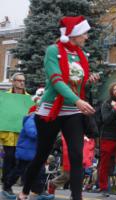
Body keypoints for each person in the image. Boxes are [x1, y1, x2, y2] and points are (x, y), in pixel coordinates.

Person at [17, 16, 99, 200]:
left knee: (77, 155)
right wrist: (77, 100)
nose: (86, 37)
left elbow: (78, 84)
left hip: (72, 111)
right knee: (42, 154)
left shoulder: (81, 56)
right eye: (84, 33)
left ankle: (76, 197)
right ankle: (24, 191)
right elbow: (56, 81)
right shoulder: (53, 51)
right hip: (51, 108)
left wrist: (88, 82)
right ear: (73, 33)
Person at [2, 88, 54, 200]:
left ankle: (40, 191)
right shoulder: (31, 118)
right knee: (18, 171)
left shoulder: (43, 120)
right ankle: (7, 186)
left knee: (40, 171)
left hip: (35, 153)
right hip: (26, 152)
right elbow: (32, 133)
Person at [0, 72, 29, 190]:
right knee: (9, 157)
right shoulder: (5, 96)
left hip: (22, 134)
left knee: (18, 160)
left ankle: (9, 182)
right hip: (7, 134)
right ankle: (6, 183)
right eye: (19, 80)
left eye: (23, 81)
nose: (21, 82)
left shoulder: (28, 98)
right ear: (13, 82)